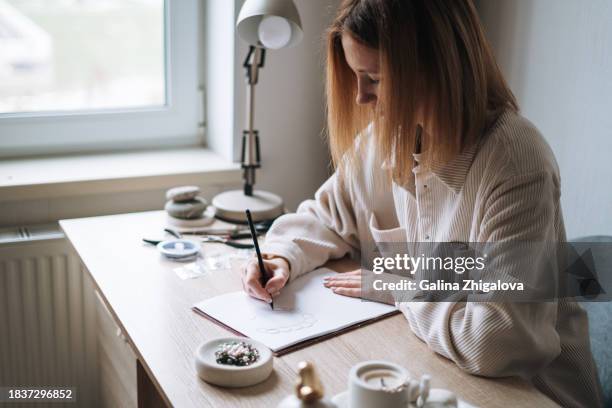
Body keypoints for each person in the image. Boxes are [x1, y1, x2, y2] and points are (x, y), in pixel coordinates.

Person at [242, 1, 603, 407]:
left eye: (374, 79)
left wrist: (401, 290)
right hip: (436, 366)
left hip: (532, 392)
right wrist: (281, 256)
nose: (360, 97)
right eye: (356, 76)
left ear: (434, 69)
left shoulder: (516, 162)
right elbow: (328, 214)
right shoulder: (388, 136)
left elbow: (497, 340)